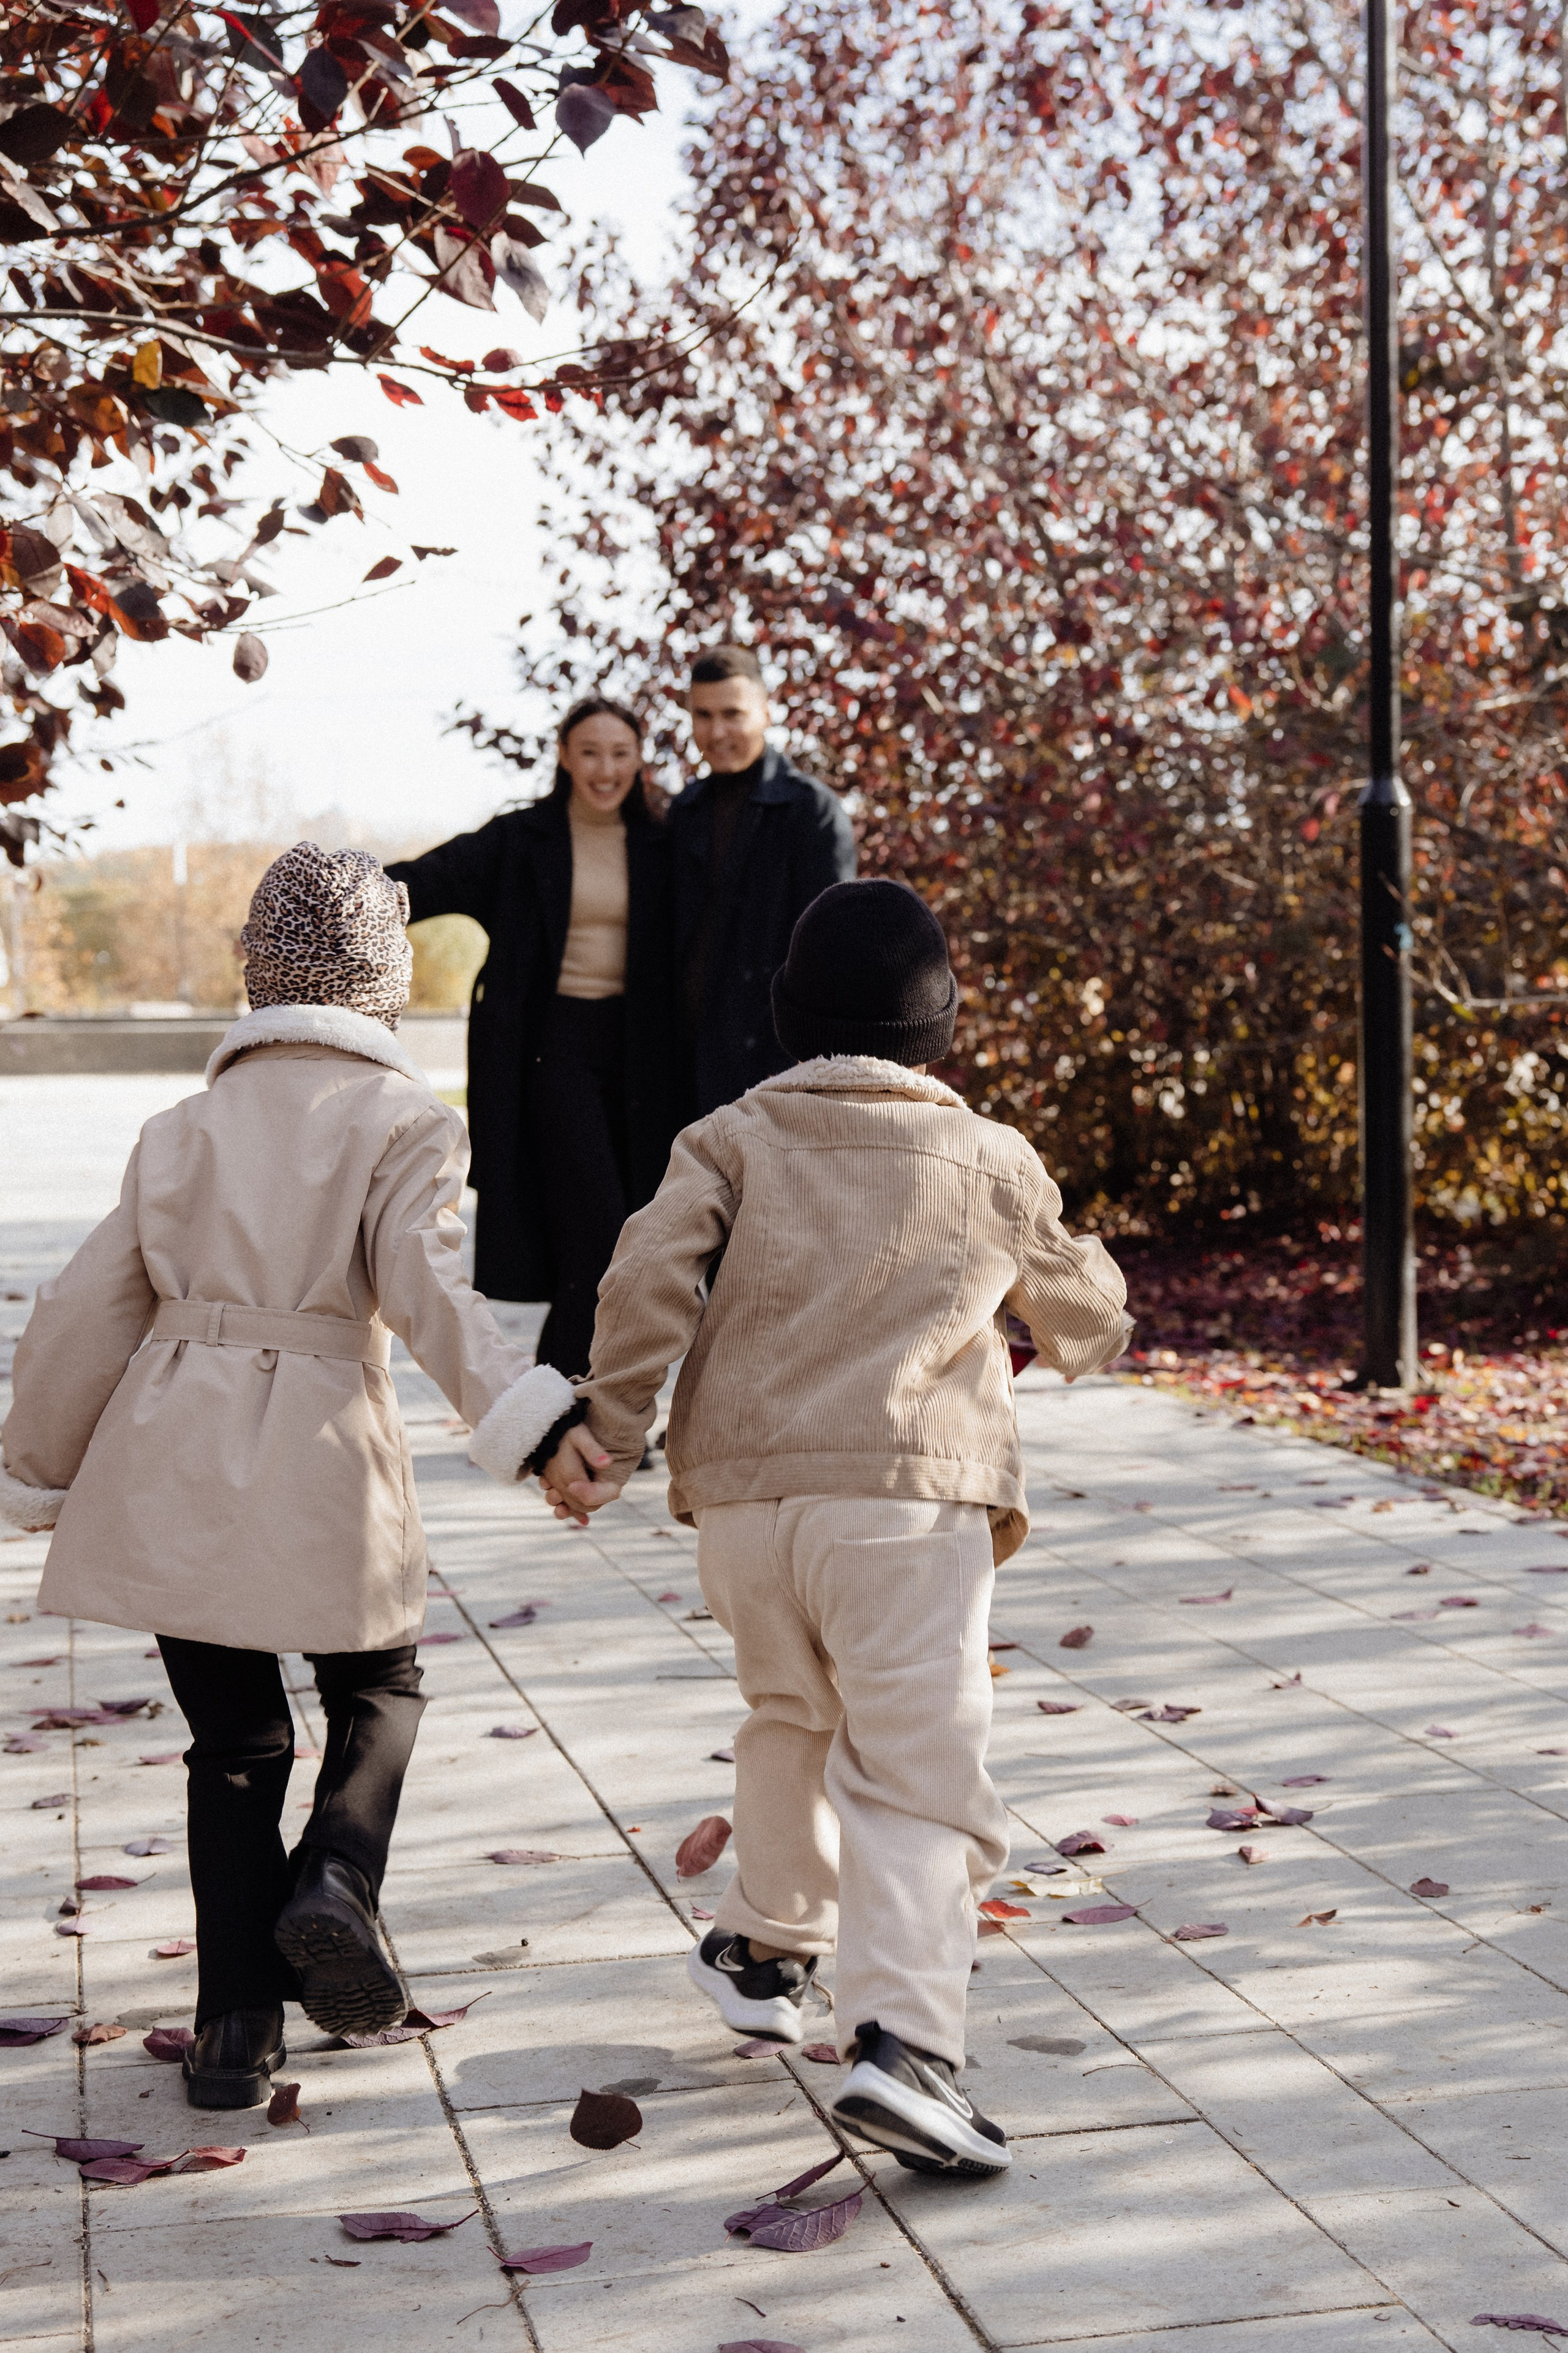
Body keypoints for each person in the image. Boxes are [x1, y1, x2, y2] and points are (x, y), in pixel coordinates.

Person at [533, 878, 1133, 2177]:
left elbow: (644, 1282)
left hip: (746, 1508)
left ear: (786, 1016)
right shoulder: (984, 1156)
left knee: (790, 1717)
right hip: (905, 1511)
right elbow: (1090, 1317)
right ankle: (905, 2050)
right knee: (914, 1770)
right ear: (941, 1031)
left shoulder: (731, 1137)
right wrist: (1025, 1312)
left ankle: (760, 1942)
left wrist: (610, 1436)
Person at [0, 844, 578, 2109]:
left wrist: (35, 1465)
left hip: (176, 1460)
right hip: (324, 1447)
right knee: (381, 1685)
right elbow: (429, 1294)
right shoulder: (404, 1122)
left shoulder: (183, 1128)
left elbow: (87, 1307)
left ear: (255, 970)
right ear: (381, 979)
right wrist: (528, 1421)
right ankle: (337, 1875)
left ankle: (232, 2029)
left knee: (234, 1744)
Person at [385, 698, 678, 1375]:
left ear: (639, 761)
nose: (605, 768)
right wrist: (323, 903)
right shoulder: (522, 840)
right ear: (564, 756)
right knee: (601, 1226)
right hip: (554, 1052)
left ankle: (569, 1399)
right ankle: (573, 1397)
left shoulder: (666, 845)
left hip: (643, 1059)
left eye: (620, 753)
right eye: (589, 752)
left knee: (623, 1234)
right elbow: (423, 881)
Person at [669, 645, 856, 1114]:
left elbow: (831, 954)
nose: (717, 732)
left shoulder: (811, 811)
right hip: (688, 1061)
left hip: (776, 1065)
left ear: (767, 713)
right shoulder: (683, 813)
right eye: (703, 715)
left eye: (733, 714)